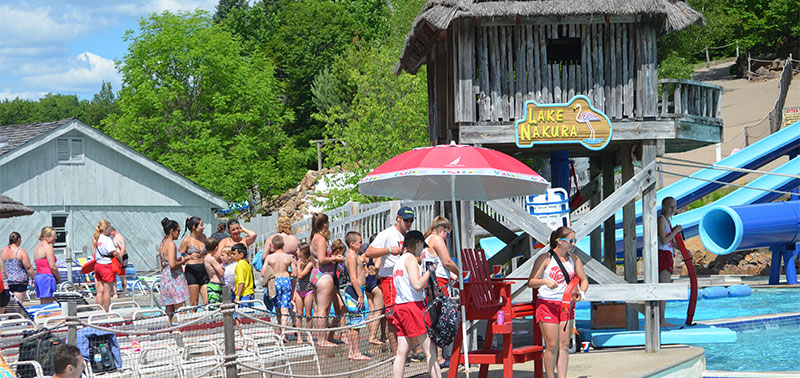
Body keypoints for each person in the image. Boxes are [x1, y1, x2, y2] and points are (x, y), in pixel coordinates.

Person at [527, 226, 589, 378]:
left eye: (575, 241)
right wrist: (545, 281)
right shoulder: (545, 258)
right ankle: (550, 376)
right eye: (570, 241)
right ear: (559, 241)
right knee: (552, 345)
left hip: (566, 306)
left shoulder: (574, 259)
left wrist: (581, 293)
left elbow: (584, 280)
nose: (573, 244)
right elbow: (531, 282)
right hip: (547, 304)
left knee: (564, 345)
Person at [364, 206, 415, 353]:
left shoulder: (408, 236)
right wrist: (389, 250)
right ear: (398, 219)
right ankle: (396, 353)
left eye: (411, 220)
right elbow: (369, 252)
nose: (408, 223)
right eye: (406, 220)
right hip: (391, 279)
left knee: (408, 314)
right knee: (393, 317)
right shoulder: (387, 234)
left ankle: (410, 351)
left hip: (405, 280)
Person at [391, 230, 441, 378]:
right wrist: (430, 271)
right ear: (417, 243)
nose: (422, 249)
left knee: (401, 353)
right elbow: (417, 285)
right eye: (422, 246)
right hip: (413, 307)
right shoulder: (411, 259)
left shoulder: (398, 261)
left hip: (400, 307)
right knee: (430, 350)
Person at [421, 216, 458, 366]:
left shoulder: (427, 239)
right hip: (439, 283)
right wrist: (461, 273)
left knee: (435, 319)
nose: (447, 237)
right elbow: (447, 262)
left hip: (431, 283)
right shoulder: (436, 239)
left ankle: (438, 356)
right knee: (444, 319)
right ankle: (441, 357)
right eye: (447, 233)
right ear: (442, 230)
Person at [309, 212, 344, 347]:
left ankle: (320, 338)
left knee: (318, 308)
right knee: (323, 309)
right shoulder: (321, 239)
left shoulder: (313, 238)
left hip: (316, 274)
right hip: (324, 275)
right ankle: (322, 339)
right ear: (324, 224)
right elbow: (322, 259)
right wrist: (336, 258)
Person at [343, 231, 370, 361]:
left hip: (357, 290)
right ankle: (356, 352)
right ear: (352, 244)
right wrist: (360, 295)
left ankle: (352, 351)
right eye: (360, 242)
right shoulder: (352, 257)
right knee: (356, 325)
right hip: (355, 292)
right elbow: (353, 278)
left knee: (354, 324)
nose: (362, 244)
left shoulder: (354, 256)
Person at [658, 196, 684, 327]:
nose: (673, 209)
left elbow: (672, 242)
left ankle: (661, 318)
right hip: (662, 255)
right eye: (670, 206)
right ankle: (661, 320)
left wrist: (685, 251)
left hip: (667, 254)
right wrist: (675, 231)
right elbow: (664, 240)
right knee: (664, 288)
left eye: (675, 206)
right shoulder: (661, 220)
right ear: (664, 206)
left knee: (664, 287)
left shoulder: (667, 220)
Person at [265, 235, 297, 337]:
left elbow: (262, 273)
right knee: (285, 308)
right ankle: (284, 333)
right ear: (283, 245)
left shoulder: (269, 258)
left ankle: (280, 331)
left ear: (273, 245)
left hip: (275, 281)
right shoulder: (289, 257)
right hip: (286, 281)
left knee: (277, 307)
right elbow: (295, 274)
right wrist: (287, 272)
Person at [159, 218, 189, 324]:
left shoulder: (162, 243)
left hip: (166, 278)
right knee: (181, 309)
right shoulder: (171, 244)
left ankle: (169, 332)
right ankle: (185, 333)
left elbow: (163, 264)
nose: (179, 234)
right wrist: (185, 260)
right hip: (174, 279)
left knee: (169, 310)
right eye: (178, 231)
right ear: (172, 231)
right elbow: (172, 264)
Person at [180, 217, 209, 309]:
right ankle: (194, 321)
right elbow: (180, 257)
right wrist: (189, 257)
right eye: (201, 225)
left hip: (204, 269)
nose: (203, 227)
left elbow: (208, 251)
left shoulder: (203, 237)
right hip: (192, 271)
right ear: (193, 227)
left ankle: (210, 321)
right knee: (194, 302)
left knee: (208, 301)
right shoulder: (187, 240)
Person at [361, 235, 385, 346]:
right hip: (376, 282)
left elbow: (359, 260)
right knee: (378, 312)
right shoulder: (378, 254)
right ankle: (373, 336)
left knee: (371, 311)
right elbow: (378, 266)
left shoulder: (367, 254)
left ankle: (373, 334)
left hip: (368, 282)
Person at [92, 220, 118, 312]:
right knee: (107, 292)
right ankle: (107, 312)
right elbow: (114, 252)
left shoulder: (96, 238)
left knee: (100, 291)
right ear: (106, 229)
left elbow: (93, 252)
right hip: (106, 265)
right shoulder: (107, 240)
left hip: (98, 265)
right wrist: (120, 257)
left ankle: (99, 310)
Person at [2, 232, 35, 303]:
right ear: (19, 240)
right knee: (17, 305)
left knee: (7, 306)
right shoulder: (20, 251)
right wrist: (33, 278)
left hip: (5, 281)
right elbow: (28, 267)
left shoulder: (2, 251)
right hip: (19, 281)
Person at [294, 243, 315, 343]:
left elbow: (301, 275)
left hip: (308, 290)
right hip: (299, 290)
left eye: (298, 250)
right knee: (299, 314)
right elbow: (296, 277)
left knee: (308, 314)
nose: (296, 252)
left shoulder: (310, 263)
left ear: (302, 252)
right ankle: (299, 336)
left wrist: (298, 266)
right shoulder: (298, 261)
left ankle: (308, 335)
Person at [33, 227, 60, 305]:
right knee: (48, 305)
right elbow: (53, 266)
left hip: (39, 277)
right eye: (54, 236)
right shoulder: (48, 247)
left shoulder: (37, 247)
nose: (56, 238)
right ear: (46, 237)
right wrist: (58, 278)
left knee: (43, 304)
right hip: (47, 277)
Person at [203, 238, 225, 305]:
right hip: (215, 285)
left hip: (213, 284)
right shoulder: (211, 259)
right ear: (216, 248)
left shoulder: (206, 258)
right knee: (215, 307)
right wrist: (222, 267)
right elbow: (221, 273)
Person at [109, 227, 127, 298]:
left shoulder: (118, 238)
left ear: (112, 231)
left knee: (122, 276)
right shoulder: (114, 238)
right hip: (115, 258)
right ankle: (115, 292)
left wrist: (120, 258)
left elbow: (123, 248)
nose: (109, 234)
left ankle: (124, 291)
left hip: (120, 258)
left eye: (109, 233)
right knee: (114, 275)